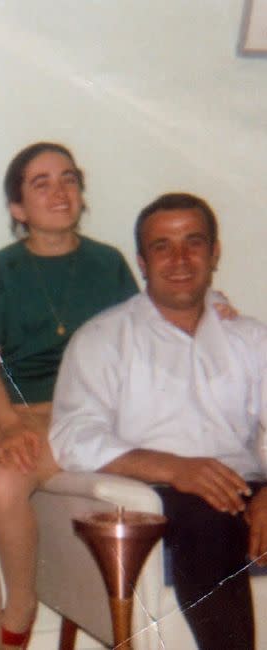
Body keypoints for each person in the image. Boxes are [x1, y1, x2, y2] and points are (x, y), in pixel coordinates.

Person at [50, 192, 267, 650]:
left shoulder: (250, 339)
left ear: (215, 252)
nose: (181, 259)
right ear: (142, 261)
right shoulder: (104, 339)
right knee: (208, 517)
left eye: (194, 242)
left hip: (247, 485)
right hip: (161, 496)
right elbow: (73, 436)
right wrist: (174, 469)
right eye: (162, 247)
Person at [0, 142, 138, 649]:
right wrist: (10, 425)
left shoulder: (109, 264)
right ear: (18, 208)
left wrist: (216, 301)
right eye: (42, 182)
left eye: (69, 179)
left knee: (4, 486)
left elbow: (147, 328)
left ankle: (23, 602)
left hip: (69, 413)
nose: (60, 191)